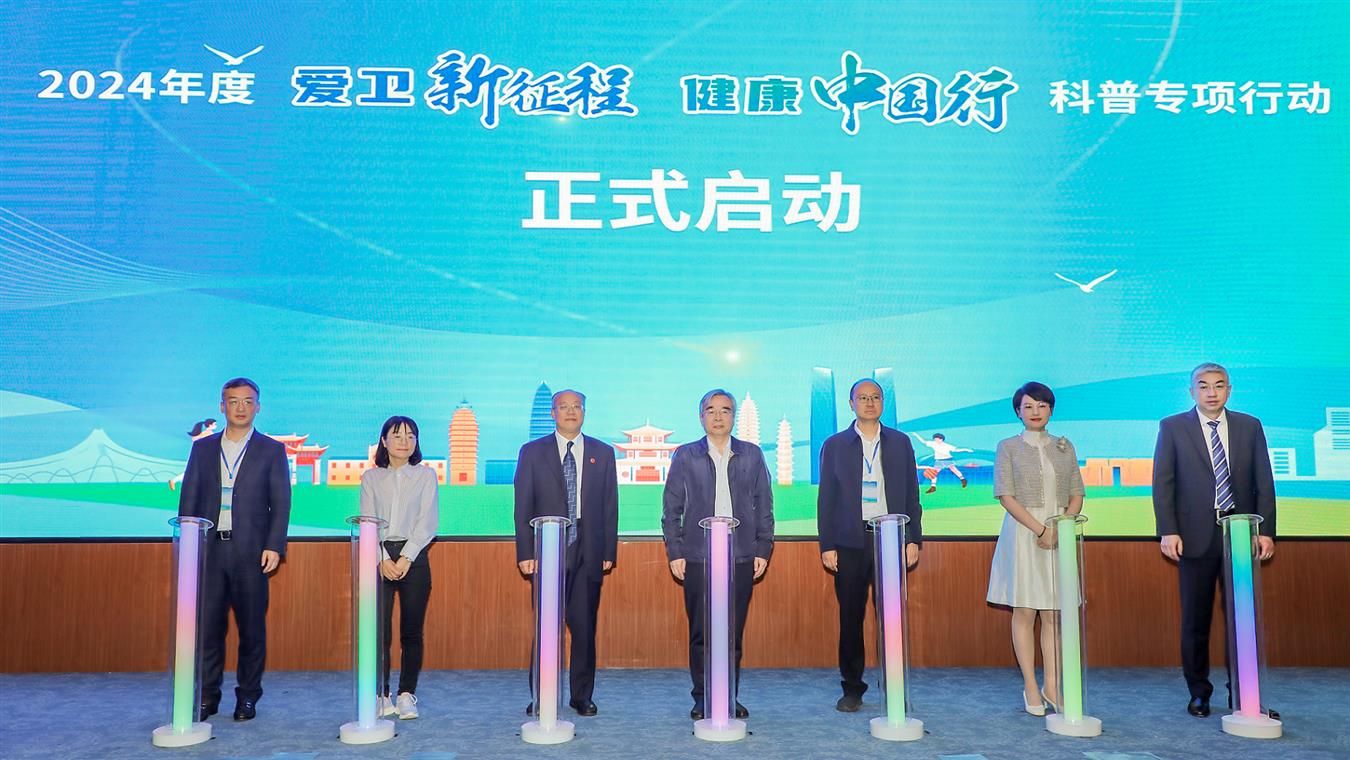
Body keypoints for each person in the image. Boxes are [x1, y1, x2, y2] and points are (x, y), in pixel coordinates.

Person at [1153, 362, 1276, 718]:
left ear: (1229, 390)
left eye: (1219, 385)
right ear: (1192, 391)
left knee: (1242, 619)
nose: (1212, 392)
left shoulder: (1250, 426)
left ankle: (1244, 695)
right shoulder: (1173, 427)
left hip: (1240, 533)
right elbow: (1163, 483)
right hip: (1193, 536)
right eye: (1204, 386)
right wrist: (1168, 529)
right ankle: (1199, 693)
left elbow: (1264, 481)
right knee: (1196, 620)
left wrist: (1266, 531)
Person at [178, 377, 290, 722]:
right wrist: (188, 545)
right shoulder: (203, 449)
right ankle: (207, 696)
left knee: (252, 630)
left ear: (258, 407)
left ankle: (248, 697)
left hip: (251, 553)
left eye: (247, 401)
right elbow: (189, 498)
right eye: (233, 401)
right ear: (221, 406)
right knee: (208, 629)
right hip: (209, 553)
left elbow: (281, 503)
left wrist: (274, 545)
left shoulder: (271, 450)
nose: (240, 408)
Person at [661, 389, 774, 721]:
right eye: (710, 410)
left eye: (725, 410)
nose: (718, 416)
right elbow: (671, 509)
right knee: (702, 633)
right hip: (698, 556)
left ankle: (727, 696)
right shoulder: (686, 455)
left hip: (741, 555)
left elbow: (764, 506)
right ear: (701, 417)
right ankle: (702, 697)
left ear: (733, 416)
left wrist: (763, 548)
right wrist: (675, 551)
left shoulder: (752, 454)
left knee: (732, 633)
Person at [818, 379, 922, 712]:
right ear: (851, 404)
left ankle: (894, 687)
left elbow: (912, 494)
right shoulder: (835, 444)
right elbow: (826, 499)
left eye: (875, 397)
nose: (869, 403)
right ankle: (852, 688)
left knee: (891, 617)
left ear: (882, 403)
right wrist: (827, 544)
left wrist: (913, 539)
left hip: (890, 536)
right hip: (849, 540)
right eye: (862, 398)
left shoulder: (900, 442)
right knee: (851, 617)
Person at [513, 389, 619, 717]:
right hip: (547, 545)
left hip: (589, 546)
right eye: (564, 407)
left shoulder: (603, 452)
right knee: (547, 625)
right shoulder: (532, 452)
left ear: (584, 412)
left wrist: (608, 549)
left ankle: (581, 696)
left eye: (577, 406)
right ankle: (542, 694)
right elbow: (522, 505)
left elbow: (610, 505)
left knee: (584, 626)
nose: (571, 412)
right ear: (553, 413)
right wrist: (525, 551)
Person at [985, 381, 1084, 717]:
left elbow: (1076, 493)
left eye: (1042, 405)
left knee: (1055, 613)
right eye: (1028, 406)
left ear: (1051, 409)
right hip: (1023, 534)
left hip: (1060, 534)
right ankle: (1030, 685)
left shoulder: (1064, 446)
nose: (1035, 411)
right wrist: (1041, 529)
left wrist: (1060, 527)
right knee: (1025, 611)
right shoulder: (1008, 447)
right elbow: (1005, 495)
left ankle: (1052, 686)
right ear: (1018, 411)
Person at [360, 415, 439, 720]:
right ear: (384, 441)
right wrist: (381, 558)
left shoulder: (426, 476)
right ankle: (381, 695)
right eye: (397, 436)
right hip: (377, 555)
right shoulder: (371, 478)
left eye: (410, 436)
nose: (404, 442)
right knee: (378, 632)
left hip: (414, 556)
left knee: (412, 631)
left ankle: (407, 694)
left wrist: (406, 557)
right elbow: (368, 520)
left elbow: (427, 521)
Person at [169, 419, 217, 490]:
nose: (215, 426)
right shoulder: (208, 434)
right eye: (214, 424)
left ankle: (176, 481)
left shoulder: (205, 433)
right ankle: (175, 481)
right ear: (210, 425)